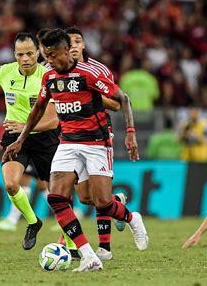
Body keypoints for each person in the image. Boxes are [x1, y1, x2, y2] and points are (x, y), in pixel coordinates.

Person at [3, 29, 148, 272]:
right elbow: (38, 109)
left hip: (96, 143)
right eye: (45, 55)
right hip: (68, 143)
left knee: (101, 202)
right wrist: (21, 139)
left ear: (64, 51)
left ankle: (132, 218)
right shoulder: (48, 76)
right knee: (57, 198)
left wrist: (131, 133)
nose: (47, 60)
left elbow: (123, 99)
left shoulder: (89, 74)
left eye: (51, 55)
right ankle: (88, 255)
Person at [0, 32, 60, 250]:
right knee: (11, 183)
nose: (25, 59)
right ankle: (33, 222)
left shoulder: (48, 77)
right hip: (14, 136)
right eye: (20, 54)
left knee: (59, 195)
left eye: (29, 53)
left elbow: (53, 121)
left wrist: (25, 127)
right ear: (14, 54)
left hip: (45, 138)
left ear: (37, 53)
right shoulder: (5, 72)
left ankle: (72, 244)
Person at [65, 26, 126, 261]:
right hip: (71, 135)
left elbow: (116, 103)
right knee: (85, 198)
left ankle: (105, 249)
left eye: (77, 41)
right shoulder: (54, 71)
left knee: (98, 195)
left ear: (83, 45)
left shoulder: (98, 69)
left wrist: (88, 91)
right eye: (68, 42)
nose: (73, 45)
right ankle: (117, 203)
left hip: (99, 133)